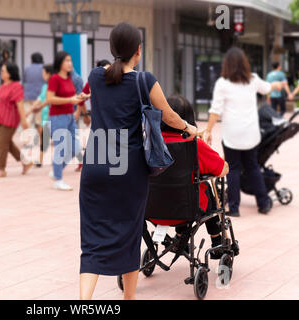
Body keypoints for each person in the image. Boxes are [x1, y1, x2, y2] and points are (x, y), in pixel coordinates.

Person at [79, 22, 197, 300]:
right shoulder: (145, 81)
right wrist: (189, 128)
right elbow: (168, 115)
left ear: (112, 49)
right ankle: (128, 298)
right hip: (128, 169)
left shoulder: (96, 76)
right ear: (138, 51)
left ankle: (83, 301)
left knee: (92, 239)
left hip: (95, 164)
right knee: (129, 234)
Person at [204, 47, 285, 217]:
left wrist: (209, 130)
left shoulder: (222, 83)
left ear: (227, 64)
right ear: (245, 64)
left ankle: (234, 208)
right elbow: (268, 88)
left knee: (233, 169)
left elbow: (215, 110)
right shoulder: (253, 80)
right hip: (250, 135)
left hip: (232, 135)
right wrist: (278, 84)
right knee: (253, 167)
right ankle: (263, 204)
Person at [161, 95, 229, 259]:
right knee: (205, 193)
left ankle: (178, 238)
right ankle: (217, 240)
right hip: (187, 209)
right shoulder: (194, 146)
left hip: (152, 210)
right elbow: (223, 170)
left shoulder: (148, 143)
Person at [46, 51, 87, 191]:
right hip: (58, 117)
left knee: (75, 147)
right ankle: (58, 179)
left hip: (70, 117)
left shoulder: (69, 79)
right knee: (61, 148)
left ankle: (56, 171)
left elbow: (70, 96)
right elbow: (50, 98)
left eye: (70, 60)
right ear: (60, 63)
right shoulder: (55, 79)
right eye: (67, 61)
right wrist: (70, 99)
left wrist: (79, 96)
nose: (70, 63)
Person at [0, 62, 32, 179]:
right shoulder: (3, 85)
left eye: (4, 71)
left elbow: (20, 104)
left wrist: (24, 121)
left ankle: (1, 168)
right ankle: (26, 162)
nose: (2, 73)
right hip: (1, 119)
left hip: (10, 120)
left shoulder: (16, 86)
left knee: (2, 143)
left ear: (10, 73)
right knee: (7, 143)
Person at [28, 64, 54, 167]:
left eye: (43, 73)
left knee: (48, 138)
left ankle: (40, 160)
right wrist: (31, 109)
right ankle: (40, 160)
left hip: (53, 116)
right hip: (45, 116)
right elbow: (40, 98)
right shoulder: (44, 86)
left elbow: (48, 100)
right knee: (45, 138)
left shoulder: (53, 85)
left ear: (48, 73)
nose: (42, 75)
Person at [23, 52, 45, 130]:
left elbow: (24, 81)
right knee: (39, 121)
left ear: (32, 60)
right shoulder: (44, 68)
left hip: (27, 96)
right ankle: (42, 141)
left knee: (27, 119)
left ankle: (26, 140)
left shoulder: (26, 69)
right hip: (40, 97)